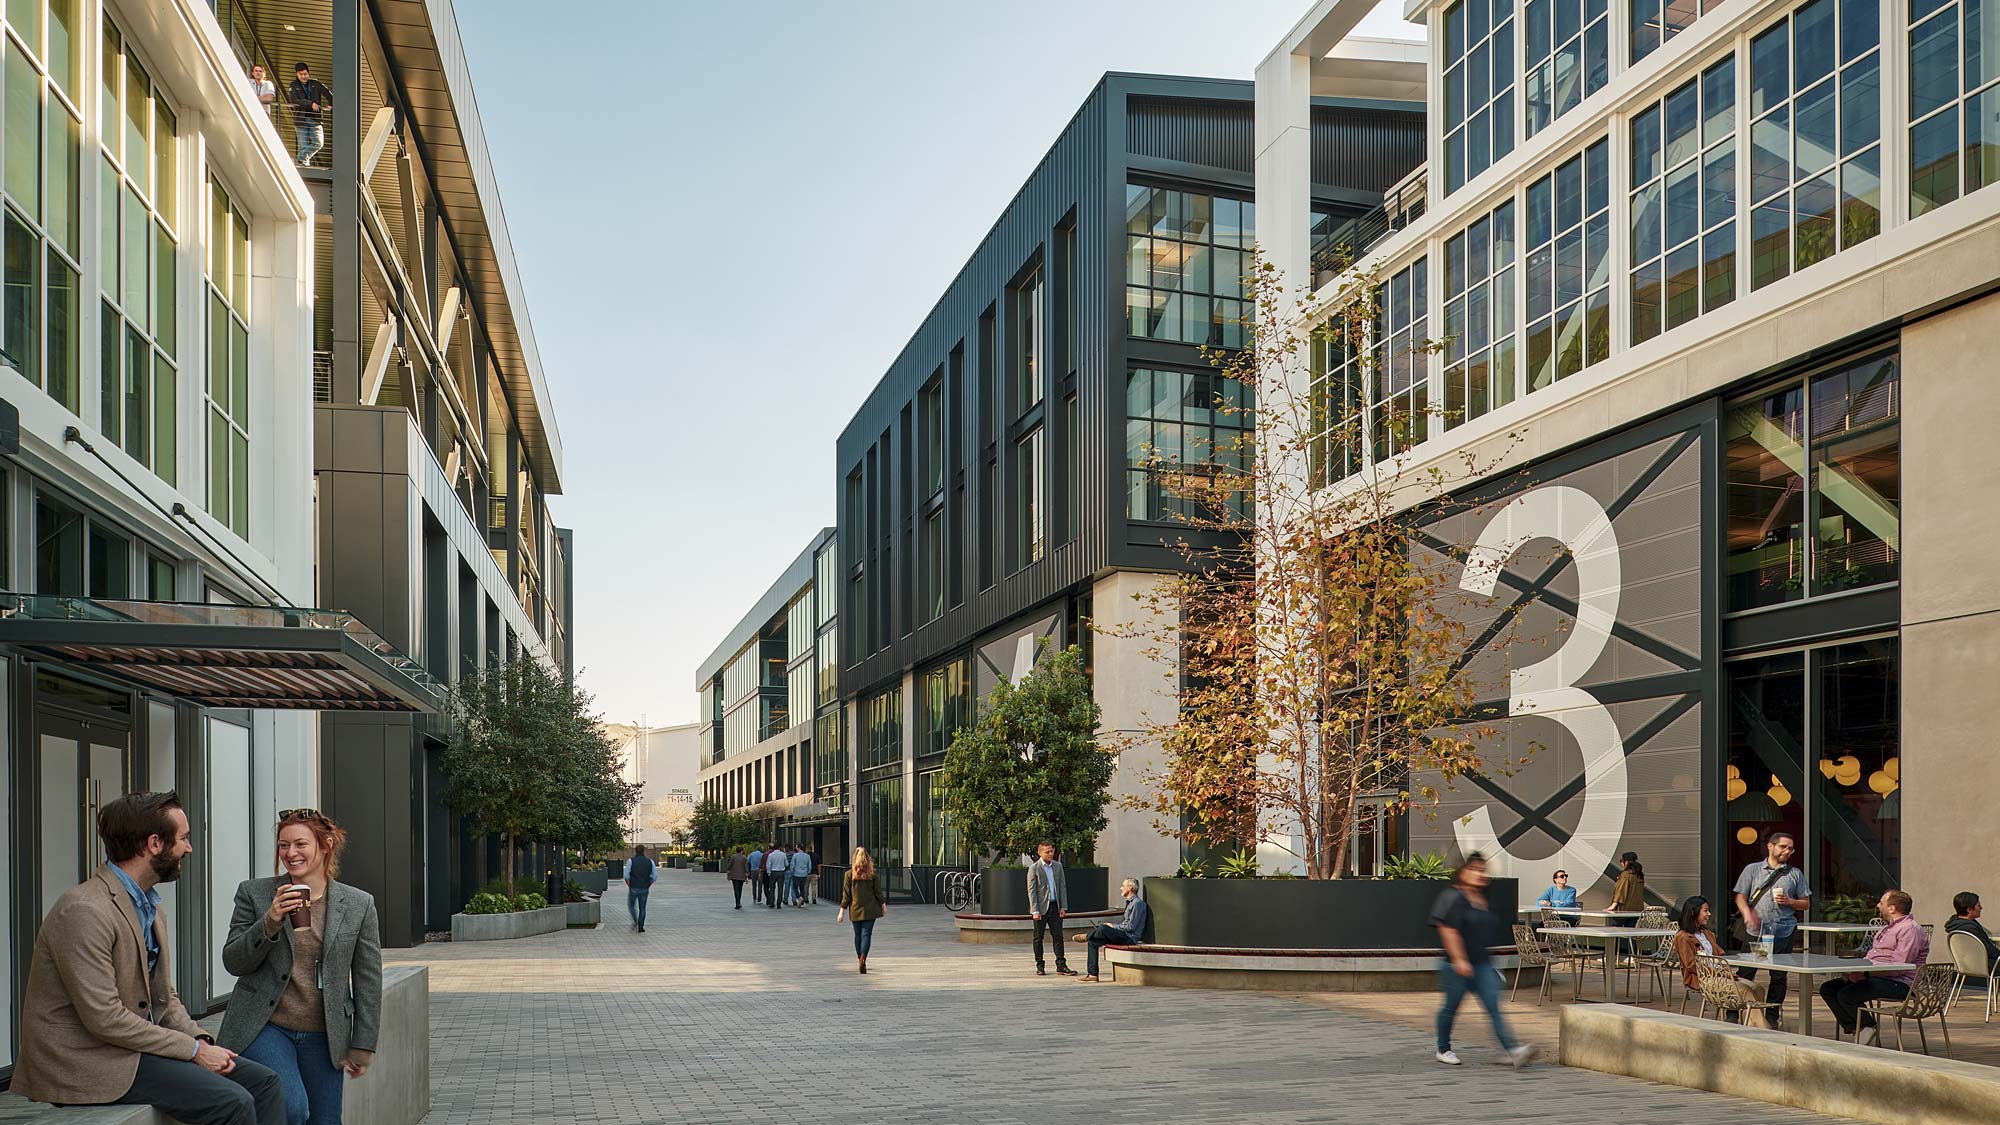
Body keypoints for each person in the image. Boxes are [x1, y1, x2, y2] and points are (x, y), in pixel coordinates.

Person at [13, 791, 285, 1125]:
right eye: (183, 839)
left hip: (129, 1048)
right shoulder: (84, 910)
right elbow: (105, 1018)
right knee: (232, 1101)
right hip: (86, 1058)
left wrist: (197, 1038)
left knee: (265, 1082)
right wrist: (195, 1052)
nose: (189, 848)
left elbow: (164, 999)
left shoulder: (150, 906)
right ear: (154, 843)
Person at [220, 810, 383, 1125]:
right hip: (265, 1025)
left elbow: (368, 978)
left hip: (324, 1033)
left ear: (326, 845)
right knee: (292, 1108)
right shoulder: (254, 893)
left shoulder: (358, 904)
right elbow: (233, 961)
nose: (290, 854)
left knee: (325, 1120)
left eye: (300, 844)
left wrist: (363, 1043)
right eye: (283, 846)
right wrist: (269, 922)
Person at [1430, 852, 1536, 1068]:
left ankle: (1512, 1050)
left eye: (1482, 870)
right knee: (1451, 1008)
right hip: (1455, 966)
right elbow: (1448, 929)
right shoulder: (1452, 897)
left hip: (1482, 964)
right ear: (1462, 872)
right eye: (1474, 869)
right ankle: (1443, 1048)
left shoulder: (1483, 899)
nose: (1479, 874)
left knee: (1493, 1007)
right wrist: (1459, 959)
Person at [1820, 890, 1929, 1046]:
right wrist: (1855, 973)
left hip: (1901, 983)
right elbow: (1872, 958)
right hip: (1878, 977)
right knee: (1829, 988)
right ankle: (1857, 1029)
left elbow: (1900, 966)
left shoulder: (1909, 929)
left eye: (1881, 903)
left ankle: (1867, 1026)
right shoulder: (1888, 928)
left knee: (1847, 995)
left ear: (1892, 908)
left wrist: (1865, 974)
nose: (1878, 905)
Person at [1733, 830, 1810, 1028]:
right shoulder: (1753, 870)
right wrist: (1747, 913)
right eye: (1783, 846)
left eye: (1791, 848)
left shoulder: (1794, 874)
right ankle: (1733, 1012)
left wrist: (1790, 901)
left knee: (1779, 976)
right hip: (1757, 933)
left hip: (1783, 931)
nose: (1787, 851)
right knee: (1746, 972)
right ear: (1770, 846)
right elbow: (1740, 896)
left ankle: (1772, 1016)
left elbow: (1806, 903)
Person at [1672, 895, 1768, 1027]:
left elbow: (1720, 954)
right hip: (1703, 979)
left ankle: (1753, 1024)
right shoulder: (1683, 937)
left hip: (1721, 975)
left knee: (1757, 988)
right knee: (1745, 991)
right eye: (1705, 911)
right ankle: (1763, 1029)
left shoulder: (1707, 934)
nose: (1709, 914)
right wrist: (1721, 973)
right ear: (1694, 912)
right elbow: (1691, 965)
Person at [1075, 879, 1150, 982]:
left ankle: (1087, 936)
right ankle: (1093, 975)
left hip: (1130, 937)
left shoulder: (1138, 904)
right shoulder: (1130, 903)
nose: (1121, 888)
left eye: (1123, 886)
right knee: (1093, 942)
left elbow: (1131, 927)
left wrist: (1112, 926)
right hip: (1123, 934)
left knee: (1103, 928)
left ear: (1130, 888)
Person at [1027, 842, 1076, 977]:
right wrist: (1035, 910)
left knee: (1058, 936)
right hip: (1041, 908)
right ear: (1040, 853)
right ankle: (1040, 965)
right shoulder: (1034, 868)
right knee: (1038, 937)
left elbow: (1062, 887)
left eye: (1052, 851)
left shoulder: (1058, 866)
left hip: (1055, 906)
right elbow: (1032, 891)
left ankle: (1061, 965)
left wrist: (1063, 906)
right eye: (1047, 852)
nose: (1050, 854)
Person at [838, 846, 887, 973]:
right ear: (867, 859)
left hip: (855, 909)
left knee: (858, 935)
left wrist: (842, 911)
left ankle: (859, 958)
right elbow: (878, 892)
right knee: (867, 934)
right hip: (871, 909)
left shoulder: (849, 875)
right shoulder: (872, 875)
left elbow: (846, 895)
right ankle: (863, 959)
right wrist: (883, 904)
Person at [286, 63, 332, 167]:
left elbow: (328, 94)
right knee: (303, 146)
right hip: (300, 119)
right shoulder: (294, 85)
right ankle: (304, 165)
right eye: (301, 74)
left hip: (315, 119)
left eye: (305, 74)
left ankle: (300, 159)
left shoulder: (315, 83)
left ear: (308, 73)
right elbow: (294, 100)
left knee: (319, 143)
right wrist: (310, 104)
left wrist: (331, 104)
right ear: (297, 74)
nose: (303, 76)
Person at [1947, 892, 2000, 971]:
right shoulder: (1970, 928)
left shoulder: (1956, 925)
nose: (1981, 908)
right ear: (1969, 910)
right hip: (1983, 965)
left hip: (1965, 966)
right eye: (1978, 905)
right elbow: (1987, 949)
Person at [623, 844, 656, 932]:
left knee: (631, 906)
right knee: (643, 908)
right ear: (644, 851)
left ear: (635, 851)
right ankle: (641, 926)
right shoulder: (650, 861)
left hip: (633, 886)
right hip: (645, 887)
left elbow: (626, 876)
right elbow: (654, 876)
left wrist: (629, 885)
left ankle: (635, 920)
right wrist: (648, 884)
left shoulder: (631, 861)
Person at [762, 844, 787, 910]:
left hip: (773, 872)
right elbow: (787, 863)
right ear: (779, 847)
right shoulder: (783, 854)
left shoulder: (771, 855)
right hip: (781, 872)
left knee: (772, 888)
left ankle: (772, 902)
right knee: (780, 888)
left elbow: (768, 865)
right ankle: (779, 903)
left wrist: (769, 872)